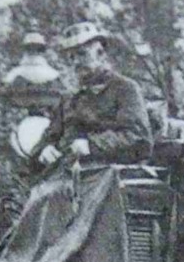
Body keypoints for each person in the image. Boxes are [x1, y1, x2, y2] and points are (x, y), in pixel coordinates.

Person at [31, 22, 152, 169]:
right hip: (67, 175)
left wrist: (92, 145)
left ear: (101, 54)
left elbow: (138, 138)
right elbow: (49, 137)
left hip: (107, 174)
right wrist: (45, 149)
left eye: (82, 54)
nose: (76, 62)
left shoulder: (125, 89)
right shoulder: (69, 98)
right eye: (71, 57)